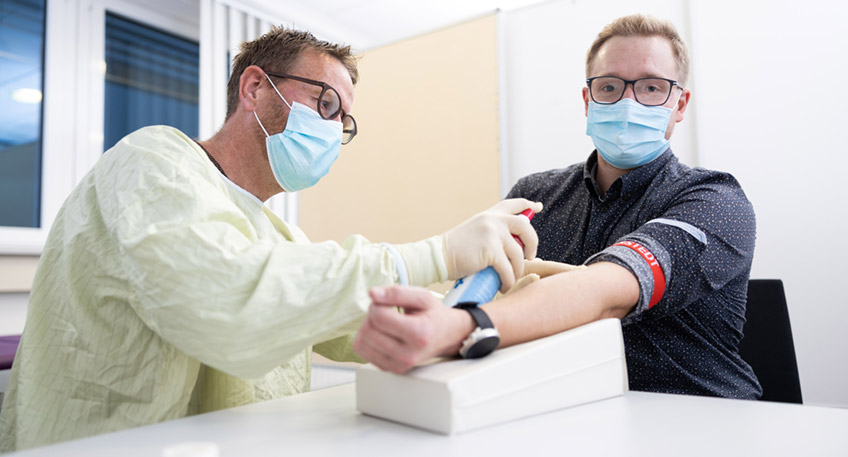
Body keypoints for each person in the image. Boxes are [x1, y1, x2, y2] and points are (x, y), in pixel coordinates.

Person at [0, 28, 542, 452]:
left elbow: (351, 321)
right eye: (325, 103)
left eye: (344, 121)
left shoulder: (276, 231)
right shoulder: (153, 160)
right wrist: (436, 252)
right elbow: (226, 301)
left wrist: (465, 310)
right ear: (255, 87)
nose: (333, 130)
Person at [353, 14, 761, 400]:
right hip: (563, 406)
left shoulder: (715, 200)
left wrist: (461, 326)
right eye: (610, 87)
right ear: (588, 99)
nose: (629, 101)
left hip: (699, 413)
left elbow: (609, 294)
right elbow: (484, 289)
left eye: (652, 87)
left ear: (681, 104)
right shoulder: (535, 196)